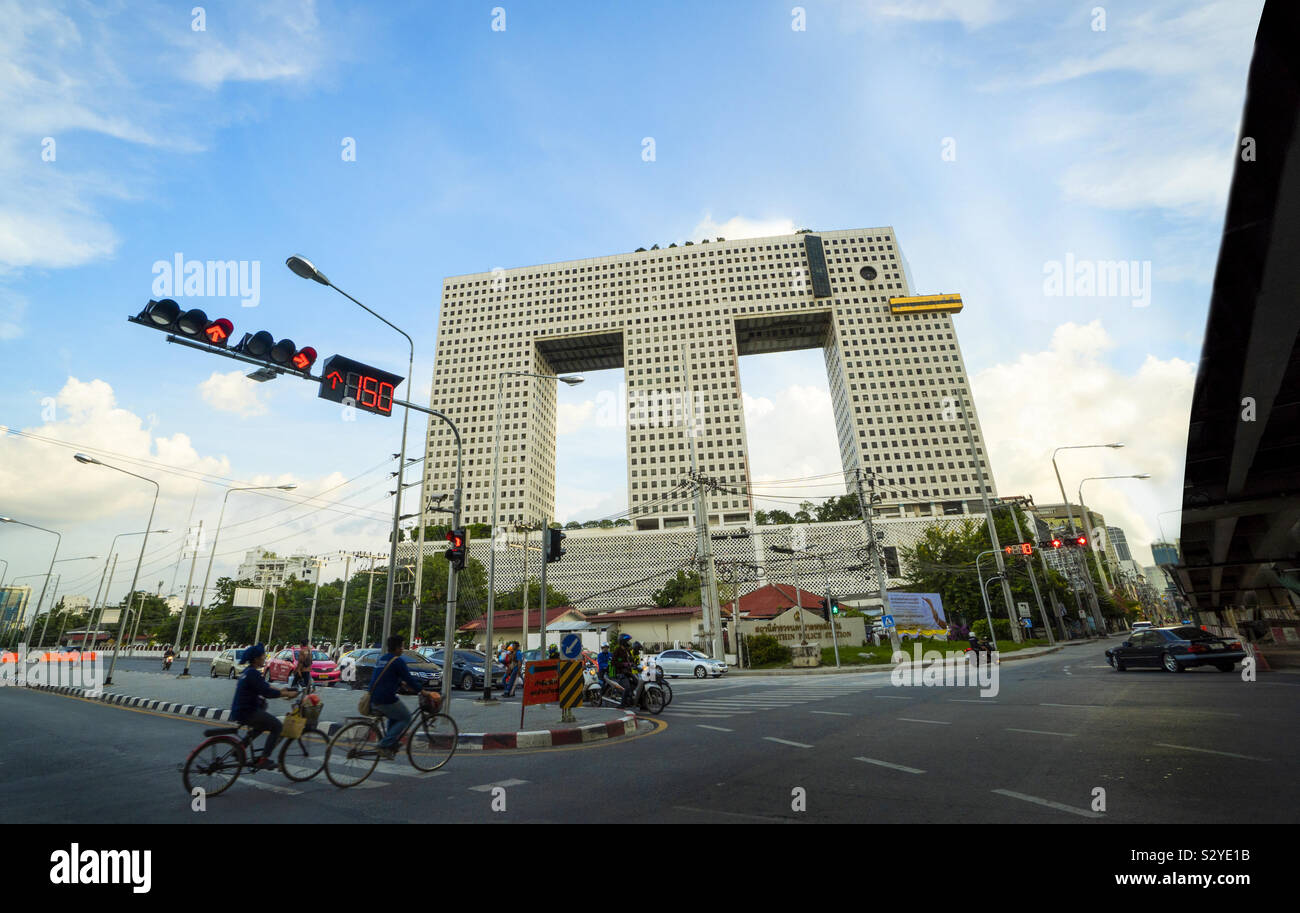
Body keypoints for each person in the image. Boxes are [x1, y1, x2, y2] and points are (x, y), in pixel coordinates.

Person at [230, 644, 297, 770]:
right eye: (263, 656)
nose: (264, 658)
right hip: (248, 712)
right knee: (277, 726)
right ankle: (264, 760)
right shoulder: (253, 674)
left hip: (240, 710)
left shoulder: (248, 672)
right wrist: (287, 694)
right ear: (256, 659)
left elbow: (265, 686)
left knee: (261, 726)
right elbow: (267, 692)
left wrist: (282, 691)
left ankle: (239, 748)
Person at [369, 634, 424, 760]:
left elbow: (386, 677)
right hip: (385, 699)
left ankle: (390, 744)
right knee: (406, 717)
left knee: (394, 716)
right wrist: (422, 691)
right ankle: (384, 744)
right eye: (402, 647)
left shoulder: (382, 658)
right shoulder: (398, 661)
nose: (403, 649)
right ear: (397, 648)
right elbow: (409, 679)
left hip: (373, 697)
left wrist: (400, 683)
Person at [611, 634, 637, 707]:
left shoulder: (627, 650)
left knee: (636, 682)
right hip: (620, 673)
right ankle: (622, 704)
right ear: (623, 642)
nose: (628, 642)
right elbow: (613, 662)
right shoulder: (617, 651)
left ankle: (633, 700)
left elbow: (631, 660)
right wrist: (623, 664)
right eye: (627, 641)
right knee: (627, 687)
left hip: (628, 672)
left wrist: (633, 664)